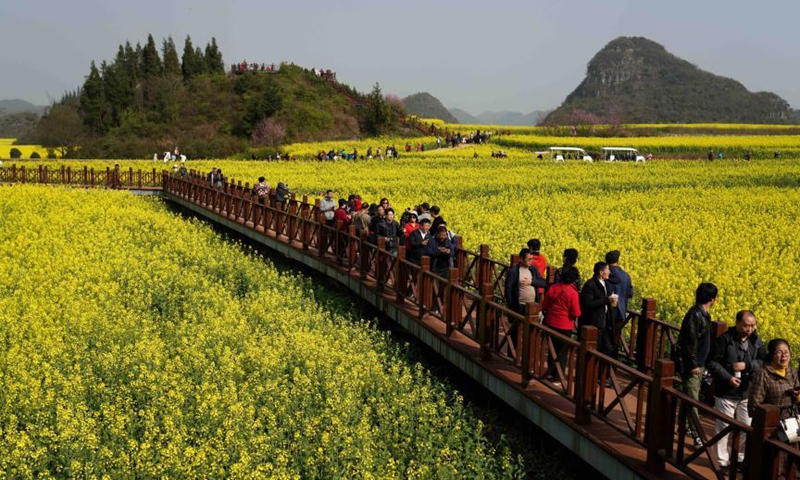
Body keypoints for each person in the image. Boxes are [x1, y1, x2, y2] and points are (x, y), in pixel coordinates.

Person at [707, 311, 765, 473]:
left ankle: (740, 459)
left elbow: (763, 361)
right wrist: (728, 378)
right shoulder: (724, 340)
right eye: (746, 325)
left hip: (747, 391)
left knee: (746, 427)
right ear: (738, 323)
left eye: (753, 326)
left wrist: (747, 365)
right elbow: (712, 363)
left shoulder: (756, 341)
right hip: (726, 392)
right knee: (723, 427)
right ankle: (722, 461)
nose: (749, 329)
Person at [675, 282, 718, 446]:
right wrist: (693, 365)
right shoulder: (695, 315)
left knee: (688, 396)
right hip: (693, 366)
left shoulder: (703, 314)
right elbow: (690, 342)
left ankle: (683, 427)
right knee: (693, 399)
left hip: (699, 364)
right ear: (713, 300)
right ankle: (697, 434)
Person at [540, 265, 581, 382]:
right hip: (565, 325)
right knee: (562, 352)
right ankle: (558, 377)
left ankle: (550, 373)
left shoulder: (553, 288)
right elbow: (576, 312)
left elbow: (544, 304)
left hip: (551, 322)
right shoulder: (573, 293)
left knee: (552, 348)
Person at [749, 339, 800, 419]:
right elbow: (754, 406)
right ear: (772, 355)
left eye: (786, 352)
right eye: (779, 352)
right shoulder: (763, 373)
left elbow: (798, 398)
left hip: (791, 422)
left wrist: (797, 396)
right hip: (770, 424)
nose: (784, 355)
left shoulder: (792, 372)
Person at [579, 262, 617, 359]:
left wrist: (612, 302)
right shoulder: (590, 285)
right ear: (601, 272)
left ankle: (602, 372)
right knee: (594, 350)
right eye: (607, 269)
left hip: (605, 322)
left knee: (608, 349)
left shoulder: (606, 284)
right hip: (594, 322)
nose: (609, 272)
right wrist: (606, 300)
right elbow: (587, 304)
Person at [504, 248, 547, 315]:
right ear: (521, 259)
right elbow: (508, 289)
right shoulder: (514, 271)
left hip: (533, 304)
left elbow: (544, 283)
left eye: (532, 259)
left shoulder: (533, 269)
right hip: (519, 306)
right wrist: (511, 305)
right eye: (529, 259)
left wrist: (532, 282)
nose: (531, 261)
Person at [606, 250, 634, 326]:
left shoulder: (603, 274)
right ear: (618, 260)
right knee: (615, 336)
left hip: (605, 313)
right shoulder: (626, 276)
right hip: (620, 314)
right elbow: (630, 294)